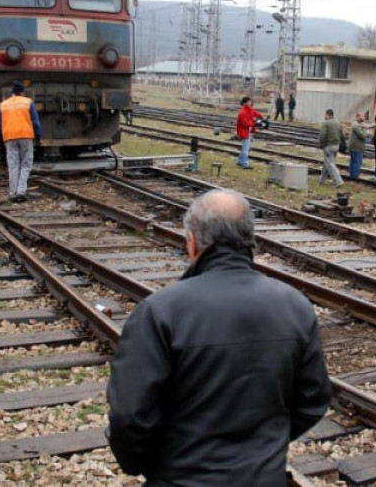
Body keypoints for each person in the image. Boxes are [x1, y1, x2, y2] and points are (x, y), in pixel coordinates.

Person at [107, 189, 331, 486]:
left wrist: (152, 466)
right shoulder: (295, 305)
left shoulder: (159, 311)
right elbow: (313, 399)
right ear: (251, 240)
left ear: (193, 242)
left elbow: (130, 416)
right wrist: (263, 449)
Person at [0, 81, 43, 203]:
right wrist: (38, 136)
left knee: (13, 164)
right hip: (26, 136)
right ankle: (21, 191)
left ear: (12, 93)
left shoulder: (4, 104)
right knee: (26, 164)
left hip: (9, 137)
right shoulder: (28, 102)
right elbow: (35, 121)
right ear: (22, 92)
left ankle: (12, 192)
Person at [317, 108, 344, 188]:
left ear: (327, 114)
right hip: (336, 145)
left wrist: (321, 145)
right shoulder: (338, 123)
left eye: (325, 114)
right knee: (327, 162)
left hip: (328, 146)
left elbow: (322, 135)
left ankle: (338, 181)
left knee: (330, 164)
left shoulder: (326, 123)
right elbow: (342, 135)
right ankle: (322, 179)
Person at [235, 96, 262, 169]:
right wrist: (255, 123)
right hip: (244, 131)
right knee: (245, 149)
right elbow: (245, 124)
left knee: (245, 147)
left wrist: (260, 117)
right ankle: (245, 164)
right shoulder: (242, 112)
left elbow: (257, 114)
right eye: (249, 102)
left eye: (250, 102)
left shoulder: (250, 109)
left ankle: (240, 161)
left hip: (249, 131)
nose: (250, 103)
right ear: (245, 103)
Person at [348, 112, 367, 179]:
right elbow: (362, 136)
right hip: (357, 146)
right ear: (358, 117)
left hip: (355, 146)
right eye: (363, 116)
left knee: (353, 161)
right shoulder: (356, 125)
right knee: (357, 161)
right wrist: (366, 133)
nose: (364, 117)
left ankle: (352, 175)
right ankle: (355, 176)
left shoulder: (357, 125)